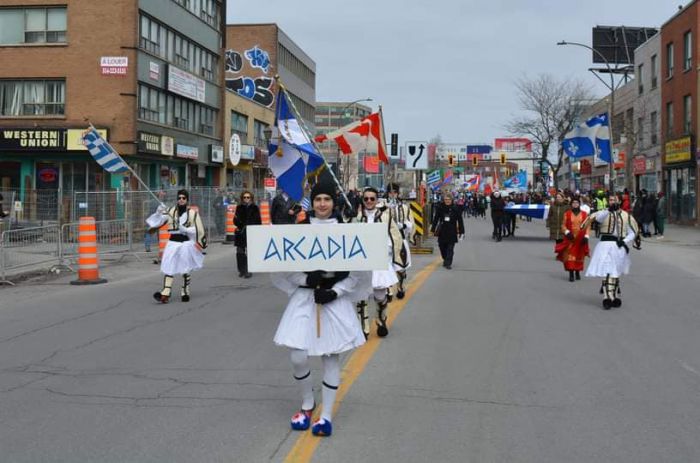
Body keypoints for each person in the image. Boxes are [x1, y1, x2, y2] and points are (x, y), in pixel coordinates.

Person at [271, 180, 371, 437]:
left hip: (332, 301)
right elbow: (285, 267)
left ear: (333, 201)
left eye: (326, 199)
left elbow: (358, 272)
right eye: (318, 200)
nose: (322, 204)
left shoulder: (347, 231)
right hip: (305, 299)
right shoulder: (299, 229)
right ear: (312, 203)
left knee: (330, 356)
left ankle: (325, 416)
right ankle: (307, 404)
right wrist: (307, 280)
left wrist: (334, 291)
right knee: (297, 355)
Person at [354, 187, 400, 338]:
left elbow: (395, 236)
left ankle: (381, 319)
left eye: (372, 198)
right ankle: (363, 327)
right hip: (361, 261)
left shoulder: (386, 216)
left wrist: (388, 250)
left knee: (380, 295)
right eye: (366, 198)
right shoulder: (357, 217)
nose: (369, 201)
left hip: (380, 260)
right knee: (362, 296)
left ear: (377, 200)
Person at [147, 189, 207, 303]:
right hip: (172, 243)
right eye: (179, 198)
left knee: (185, 267)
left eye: (183, 198)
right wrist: (159, 212)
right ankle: (165, 292)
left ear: (187, 200)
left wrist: (186, 229)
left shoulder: (192, 214)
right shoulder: (170, 211)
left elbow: (198, 229)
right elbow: (157, 222)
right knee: (169, 266)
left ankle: (185, 291)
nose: (181, 200)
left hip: (185, 243)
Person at [583, 192, 641, 309]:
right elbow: (598, 219)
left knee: (614, 271)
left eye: (614, 200)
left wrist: (624, 241)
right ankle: (607, 296)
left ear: (619, 201)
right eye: (610, 200)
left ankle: (613, 295)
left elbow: (633, 232)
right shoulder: (604, 213)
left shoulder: (626, 216)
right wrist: (608, 210)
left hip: (618, 246)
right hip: (604, 245)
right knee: (606, 269)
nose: (612, 202)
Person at [386, 182, 414, 299]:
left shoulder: (404, 208)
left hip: (400, 239)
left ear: (398, 193)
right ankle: (388, 290)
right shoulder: (382, 206)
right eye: (391, 192)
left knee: (400, 267)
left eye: (395, 192)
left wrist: (403, 225)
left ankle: (400, 285)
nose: (393, 194)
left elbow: (410, 223)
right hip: (386, 241)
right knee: (385, 267)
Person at [555, 197, 590, 282]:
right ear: (571, 204)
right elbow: (563, 225)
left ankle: (577, 271)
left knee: (579, 256)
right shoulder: (567, 214)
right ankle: (571, 273)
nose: (575, 204)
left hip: (580, 238)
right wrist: (567, 232)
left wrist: (586, 236)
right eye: (573, 203)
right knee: (570, 256)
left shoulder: (585, 214)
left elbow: (588, 226)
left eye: (577, 203)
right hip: (570, 238)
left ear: (579, 204)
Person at [430, 192, 464, 269]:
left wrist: (462, 232)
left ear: (451, 200)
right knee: (441, 246)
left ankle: (448, 263)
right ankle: (445, 258)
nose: (447, 201)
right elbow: (435, 219)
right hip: (442, 230)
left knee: (450, 248)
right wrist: (433, 229)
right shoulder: (440, 207)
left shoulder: (456, 208)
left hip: (452, 230)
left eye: (448, 199)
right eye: (445, 199)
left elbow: (460, 221)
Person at [233, 190, 261, 278]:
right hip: (241, 232)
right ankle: (241, 270)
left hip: (251, 232)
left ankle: (248, 270)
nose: (246, 199)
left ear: (251, 198)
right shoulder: (239, 207)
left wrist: (253, 227)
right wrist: (239, 223)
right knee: (240, 252)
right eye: (244, 197)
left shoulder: (255, 208)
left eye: (248, 197)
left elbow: (258, 221)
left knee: (250, 253)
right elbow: (235, 220)